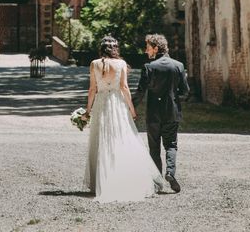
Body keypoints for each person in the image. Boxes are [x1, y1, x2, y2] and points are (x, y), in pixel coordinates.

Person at [81, 36, 163, 203]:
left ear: (101, 48)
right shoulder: (121, 64)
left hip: (102, 104)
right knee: (121, 137)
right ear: (116, 49)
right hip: (117, 104)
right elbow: (124, 88)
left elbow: (92, 89)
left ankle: (102, 182)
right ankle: (124, 178)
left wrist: (88, 111)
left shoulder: (94, 64)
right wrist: (132, 109)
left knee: (101, 139)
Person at [134, 33, 189, 193]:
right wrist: (173, 97)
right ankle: (170, 173)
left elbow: (140, 92)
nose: (146, 51)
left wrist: (129, 106)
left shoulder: (149, 67)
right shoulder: (178, 65)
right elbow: (185, 92)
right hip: (172, 112)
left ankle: (157, 182)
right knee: (171, 145)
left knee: (154, 148)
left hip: (153, 114)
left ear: (156, 48)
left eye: (148, 48)